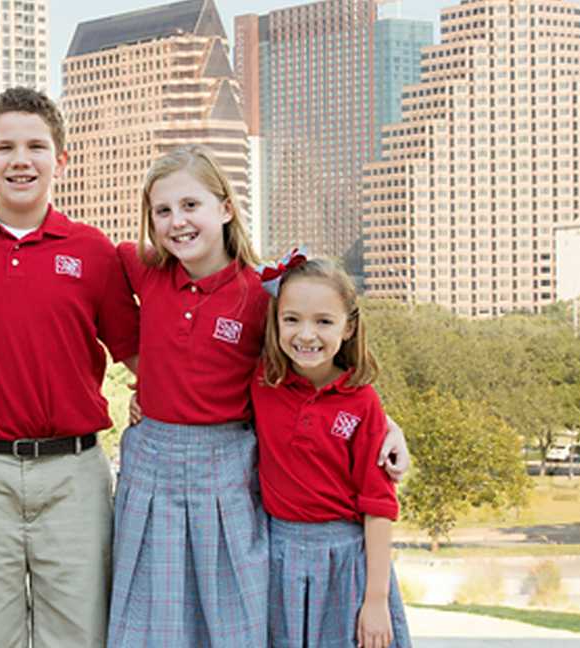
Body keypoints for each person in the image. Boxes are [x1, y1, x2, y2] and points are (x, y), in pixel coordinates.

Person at [108, 147, 410, 647]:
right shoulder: (145, 270)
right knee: (150, 619)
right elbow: (82, 253)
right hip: (151, 465)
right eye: (162, 211)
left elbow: (311, 363)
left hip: (227, 468)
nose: (177, 221)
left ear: (226, 208)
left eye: (191, 205)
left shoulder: (262, 294)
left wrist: (387, 426)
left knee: (232, 619)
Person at [0, 87, 138, 648]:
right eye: (5, 147)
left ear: (60, 160)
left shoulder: (93, 251)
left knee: (81, 636)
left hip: (74, 474)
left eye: (36, 147)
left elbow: (143, 358)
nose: (21, 160)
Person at [251, 253, 412, 648]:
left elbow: (378, 506)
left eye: (324, 321)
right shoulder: (261, 382)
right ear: (275, 321)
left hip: (346, 562)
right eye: (292, 319)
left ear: (348, 327)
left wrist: (375, 600)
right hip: (277, 556)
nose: (306, 335)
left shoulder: (362, 401)